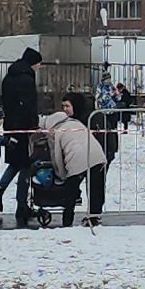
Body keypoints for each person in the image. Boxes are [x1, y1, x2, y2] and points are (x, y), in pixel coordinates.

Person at [38, 93, 106, 228]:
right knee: (96, 188)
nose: (64, 108)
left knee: (71, 191)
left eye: (67, 106)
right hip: (98, 155)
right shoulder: (76, 123)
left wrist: (62, 175)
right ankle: (94, 217)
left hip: (77, 160)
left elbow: (56, 156)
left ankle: (67, 221)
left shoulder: (56, 131)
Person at [0, 48, 42, 221]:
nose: (39, 67)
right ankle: (21, 204)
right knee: (25, 165)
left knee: (16, 163)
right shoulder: (26, 79)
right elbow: (28, 106)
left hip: (11, 126)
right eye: (38, 64)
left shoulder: (9, 77)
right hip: (24, 129)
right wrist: (33, 124)